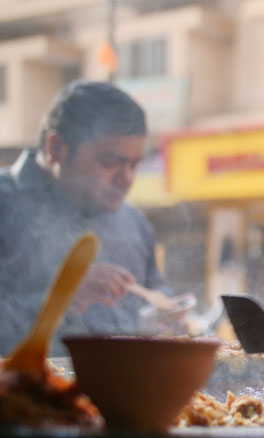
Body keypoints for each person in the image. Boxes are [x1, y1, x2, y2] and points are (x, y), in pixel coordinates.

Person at [0, 80, 170, 357]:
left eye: (134, 164)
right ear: (56, 148)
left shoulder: (133, 224)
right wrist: (63, 298)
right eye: (110, 162)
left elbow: (155, 299)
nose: (126, 179)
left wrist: (164, 318)